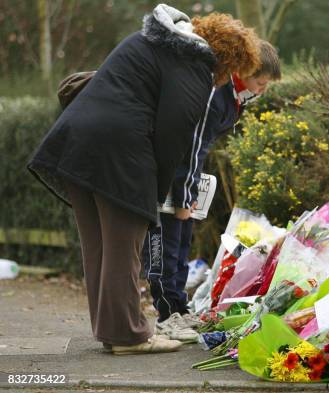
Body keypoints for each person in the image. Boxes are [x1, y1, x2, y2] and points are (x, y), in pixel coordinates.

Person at [27, 4, 260, 355]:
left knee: (99, 248)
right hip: (120, 153)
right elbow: (173, 139)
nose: (228, 80)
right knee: (123, 247)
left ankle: (112, 330)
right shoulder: (194, 67)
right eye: (233, 71)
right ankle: (129, 336)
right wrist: (156, 193)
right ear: (227, 60)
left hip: (77, 143)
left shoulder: (151, 42)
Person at [142, 40, 282, 341]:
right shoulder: (215, 93)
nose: (262, 90)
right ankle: (166, 314)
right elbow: (192, 144)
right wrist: (183, 194)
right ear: (243, 71)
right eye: (260, 82)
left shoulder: (235, 97)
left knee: (181, 243)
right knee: (164, 245)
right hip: (168, 174)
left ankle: (179, 308)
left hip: (188, 175)